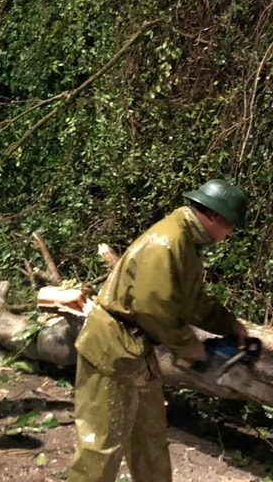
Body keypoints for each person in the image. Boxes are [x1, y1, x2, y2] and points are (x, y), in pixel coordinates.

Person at [68, 179, 250, 482]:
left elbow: (192, 300)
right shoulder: (168, 241)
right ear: (217, 216)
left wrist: (228, 324)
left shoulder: (187, 244)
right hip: (112, 349)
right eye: (231, 226)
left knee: (150, 439)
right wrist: (189, 347)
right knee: (100, 446)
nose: (230, 234)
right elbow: (153, 308)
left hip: (138, 351)